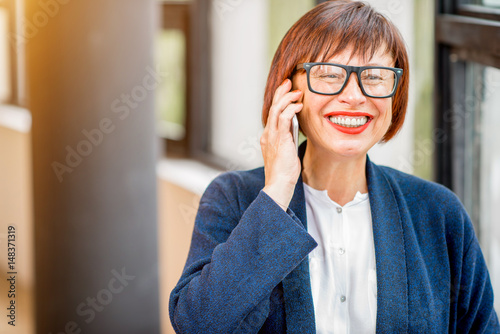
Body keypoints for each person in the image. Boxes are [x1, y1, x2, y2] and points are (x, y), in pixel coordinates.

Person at [169, 1, 500, 333]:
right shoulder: (234, 198)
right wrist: (277, 192)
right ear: (287, 89)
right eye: (329, 74)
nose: (354, 95)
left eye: (373, 76)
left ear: (395, 93)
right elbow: (198, 325)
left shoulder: (437, 212)